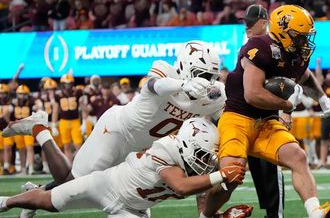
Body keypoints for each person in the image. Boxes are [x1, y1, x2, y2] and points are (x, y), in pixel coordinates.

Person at [3, 41, 227, 217]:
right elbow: (152, 85)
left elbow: (221, 126)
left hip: (142, 149)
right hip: (117, 132)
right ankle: (39, 128)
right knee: (69, 182)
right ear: (184, 66)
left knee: (94, 191)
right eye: (202, 75)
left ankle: (36, 191)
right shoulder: (165, 70)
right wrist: (182, 84)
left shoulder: (215, 95)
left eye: (211, 77)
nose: (207, 81)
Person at [200, 5, 330, 218]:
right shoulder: (259, 46)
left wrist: (321, 98)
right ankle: (206, 216)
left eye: (306, 36)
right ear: (283, 32)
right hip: (238, 118)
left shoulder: (295, 53)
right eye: (299, 36)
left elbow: (304, 76)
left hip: (266, 120)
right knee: (231, 175)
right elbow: (252, 94)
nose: (304, 42)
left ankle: (314, 212)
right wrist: (287, 106)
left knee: (298, 156)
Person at [0, 116, 249, 218]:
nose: (206, 161)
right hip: (105, 186)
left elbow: (202, 204)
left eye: (208, 157)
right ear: (188, 144)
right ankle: (7, 201)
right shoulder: (166, 149)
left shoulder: (200, 164)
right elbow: (181, 187)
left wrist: (218, 214)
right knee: (48, 202)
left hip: (134, 210)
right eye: (203, 155)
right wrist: (220, 175)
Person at [242, 4, 285, 218]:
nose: (247, 26)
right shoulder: (249, 43)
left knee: (271, 166)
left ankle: (275, 214)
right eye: (246, 22)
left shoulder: (273, 45)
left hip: (268, 114)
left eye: (252, 22)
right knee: (257, 170)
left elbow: (286, 81)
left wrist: (286, 111)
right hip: (246, 116)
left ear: (264, 22)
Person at [55, 74, 83, 162]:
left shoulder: (77, 92)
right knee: (66, 145)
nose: (67, 86)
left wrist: (84, 121)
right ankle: (69, 165)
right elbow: (56, 110)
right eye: (65, 84)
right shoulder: (58, 95)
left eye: (69, 83)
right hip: (63, 121)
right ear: (62, 84)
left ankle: (79, 165)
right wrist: (53, 124)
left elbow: (82, 107)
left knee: (78, 145)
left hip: (75, 121)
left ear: (72, 84)